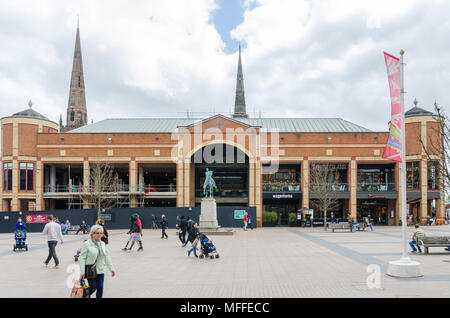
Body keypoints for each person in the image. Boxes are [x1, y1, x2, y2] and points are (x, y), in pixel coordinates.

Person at [79, 225, 116, 298]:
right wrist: (82, 271)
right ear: (92, 234)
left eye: (101, 233)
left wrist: (111, 268)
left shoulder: (102, 244)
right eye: (97, 233)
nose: (99, 235)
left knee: (100, 288)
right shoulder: (87, 244)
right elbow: (82, 258)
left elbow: (106, 256)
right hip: (90, 270)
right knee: (93, 287)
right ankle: (82, 296)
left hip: (100, 269)